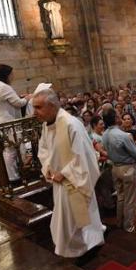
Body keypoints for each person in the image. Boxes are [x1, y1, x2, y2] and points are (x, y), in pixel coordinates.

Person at [33, 89, 105, 260]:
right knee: (68, 222)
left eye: (38, 107)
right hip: (58, 182)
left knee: (74, 221)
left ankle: (84, 250)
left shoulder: (71, 124)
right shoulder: (47, 124)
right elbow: (43, 150)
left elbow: (85, 156)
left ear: (52, 106)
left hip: (73, 182)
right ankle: (79, 248)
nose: (34, 112)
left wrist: (64, 174)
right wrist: (48, 168)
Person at [0, 64, 31, 182]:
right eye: (11, 74)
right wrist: (28, 97)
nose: (13, 76)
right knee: (13, 149)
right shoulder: (3, 86)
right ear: (6, 75)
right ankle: (15, 177)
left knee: (10, 149)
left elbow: (9, 101)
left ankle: (13, 176)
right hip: (8, 122)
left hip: (4, 122)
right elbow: (18, 103)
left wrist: (20, 97)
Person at [102, 108, 136, 233]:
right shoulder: (122, 135)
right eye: (118, 115)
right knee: (130, 199)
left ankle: (119, 223)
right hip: (127, 168)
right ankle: (128, 226)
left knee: (120, 197)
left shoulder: (104, 134)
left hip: (115, 168)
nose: (120, 117)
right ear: (115, 119)